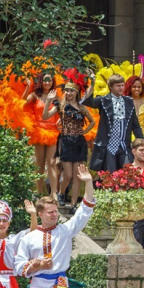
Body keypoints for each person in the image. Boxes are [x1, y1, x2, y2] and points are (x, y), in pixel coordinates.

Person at [43, 69, 95, 213]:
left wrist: (84, 132)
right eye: (67, 91)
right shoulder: (61, 106)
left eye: (72, 91)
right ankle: (61, 192)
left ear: (77, 92)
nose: (69, 93)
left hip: (79, 142)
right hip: (66, 141)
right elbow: (46, 115)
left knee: (77, 176)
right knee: (68, 174)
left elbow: (92, 122)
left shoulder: (82, 107)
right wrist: (48, 101)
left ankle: (73, 205)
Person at [84, 74, 143, 172]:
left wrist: (141, 142)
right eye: (118, 86)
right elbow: (88, 102)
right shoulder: (103, 100)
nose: (121, 88)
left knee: (128, 173)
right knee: (110, 176)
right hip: (109, 146)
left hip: (124, 145)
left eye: (122, 85)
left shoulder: (128, 101)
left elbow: (135, 125)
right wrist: (92, 84)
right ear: (111, 87)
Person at [23, 72, 60, 195]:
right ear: (40, 82)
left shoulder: (56, 97)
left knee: (52, 163)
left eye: (50, 80)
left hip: (53, 132)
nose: (47, 83)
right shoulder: (34, 95)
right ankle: (38, 192)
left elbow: (62, 110)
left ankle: (54, 193)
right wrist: (28, 87)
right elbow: (22, 103)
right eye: (45, 80)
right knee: (39, 163)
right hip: (38, 131)